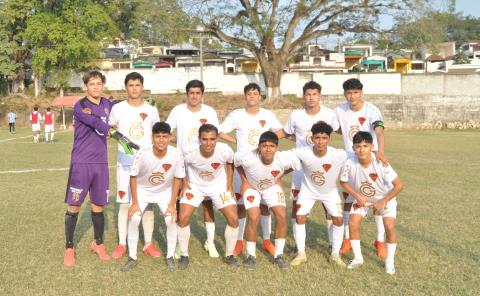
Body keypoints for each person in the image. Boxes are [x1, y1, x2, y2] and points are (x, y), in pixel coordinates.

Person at [63, 71, 139, 267]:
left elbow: (126, 105)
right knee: (74, 206)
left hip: (101, 163)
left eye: (99, 83)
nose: (95, 87)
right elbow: (96, 123)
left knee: (98, 205)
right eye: (92, 84)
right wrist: (118, 135)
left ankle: (98, 244)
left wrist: (138, 98)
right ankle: (69, 247)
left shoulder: (108, 105)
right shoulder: (81, 106)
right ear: (86, 86)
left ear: (103, 85)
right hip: (81, 162)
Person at [219, 82, 283, 256]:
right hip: (243, 167)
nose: (252, 96)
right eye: (249, 94)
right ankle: (240, 240)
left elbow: (280, 131)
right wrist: (236, 142)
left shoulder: (267, 114)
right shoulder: (237, 115)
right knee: (240, 206)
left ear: (260, 96)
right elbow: (220, 132)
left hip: (263, 166)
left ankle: (267, 240)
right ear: (245, 96)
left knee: (264, 206)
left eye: (255, 93)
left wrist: (267, 142)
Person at [276, 81, 339, 251]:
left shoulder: (329, 114)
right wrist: (267, 138)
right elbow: (285, 132)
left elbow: (341, 130)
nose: (311, 98)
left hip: (323, 165)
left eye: (314, 94)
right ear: (303, 96)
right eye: (308, 94)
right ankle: (298, 245)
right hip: (301, 167)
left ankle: (333, 242)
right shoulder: (296, 115)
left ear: (320, 96)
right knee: (297, 205)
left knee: (329, 205)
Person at [109, 72, 161, 260]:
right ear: (126, 88)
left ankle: (148, 243)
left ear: (142, 87)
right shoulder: (118, 108)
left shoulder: (152, 110)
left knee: (147, 205)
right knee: (124, 204)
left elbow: (158, 135)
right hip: (124, 164)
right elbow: (110, 130)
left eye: (137, 85)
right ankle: (122, 244)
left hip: (146, 165)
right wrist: (122, 141)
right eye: (130, 85)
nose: (134, 88)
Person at [166, 79, 220, 257]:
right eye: (191, 93)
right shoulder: (178, 110)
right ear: (187, 94)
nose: (194, 96)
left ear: (202, 94)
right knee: (181, 204)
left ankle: (210, 242)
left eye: (198, 93)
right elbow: (167, 131)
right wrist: (179, 143)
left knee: (207, 203)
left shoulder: (209, 112)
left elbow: (214, 135)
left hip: (204, 163)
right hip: (182, 165)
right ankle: (179, 245)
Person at [335, 78, 388, 258]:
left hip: (370, 159)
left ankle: (379, 240)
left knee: (376, 199)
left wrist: (380, 151)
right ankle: (347, 238)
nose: (352, 96)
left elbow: (379, 130)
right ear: (345, 94)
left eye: (356, 92)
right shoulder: (339, 110)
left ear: (361, 92)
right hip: (350, 161)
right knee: (348, 200)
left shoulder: (371, 110)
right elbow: (333, 128)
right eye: (349, 93)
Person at [121, 122, 184, 271]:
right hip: (143, 191)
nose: (161, 140)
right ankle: (132, 257)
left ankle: (169, 257)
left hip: (164, 192)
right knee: (134, 218)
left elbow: (177, 178)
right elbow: (133, 177)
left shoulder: (176, 154)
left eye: (164, 136)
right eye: (158, 136)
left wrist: (172, 204)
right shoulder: (142, 153)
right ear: (152, 137)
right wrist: (135, 202)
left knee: (171, 219)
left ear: (170, 138)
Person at [177, 124, 239, 268]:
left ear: (217, 138)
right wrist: (184, 183)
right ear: (199, 139)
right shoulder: (188, 150)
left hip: (218, 187)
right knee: (183, 217)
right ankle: (184, 255)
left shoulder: (224, 150)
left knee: (233, 218)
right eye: (204, 139)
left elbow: (230, 163)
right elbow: (180, 166)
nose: (208, 143)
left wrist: (229, 184)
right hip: (195, 186)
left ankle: (229, 254)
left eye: (212, 139)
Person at [340, 131, 403, 274]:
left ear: (371, 147)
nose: (361, 150)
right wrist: (357, 196)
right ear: (353, 148)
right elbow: (343, 182)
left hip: (385, 198)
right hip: (363, 199)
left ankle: (389, 262)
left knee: (389, 225)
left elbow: (399, 185)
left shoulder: (380, 162)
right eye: (358, 146)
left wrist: (383, 201)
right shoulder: (349, 163)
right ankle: (358, 258)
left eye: (365, 146)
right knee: (353, 222)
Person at [234, 131, 297, 269]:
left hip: (271, 186)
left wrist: (278, 176)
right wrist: (244, 182)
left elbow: (295, 165)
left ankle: (278, 256)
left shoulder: (283, 159)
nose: (268, 149)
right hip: (252, 187)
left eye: (271, 146)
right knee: (254, 216)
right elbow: (236, 162)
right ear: (258, 147)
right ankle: (251, 256)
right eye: (264, 146)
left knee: (281, 215)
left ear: (277, 148)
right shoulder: (248, 158)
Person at [290, 122, 347, 267]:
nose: (320, 141)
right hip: (308, 192)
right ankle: (301, 253)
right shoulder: (303, 152)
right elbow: (283, 156)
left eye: (324, 138)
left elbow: (356, 158)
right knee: (300, 217)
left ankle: (335, 254)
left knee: (338, 220)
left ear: (329, 139)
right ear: (312, 138)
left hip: (330, 193)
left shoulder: (339, 154)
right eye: (317, 138)